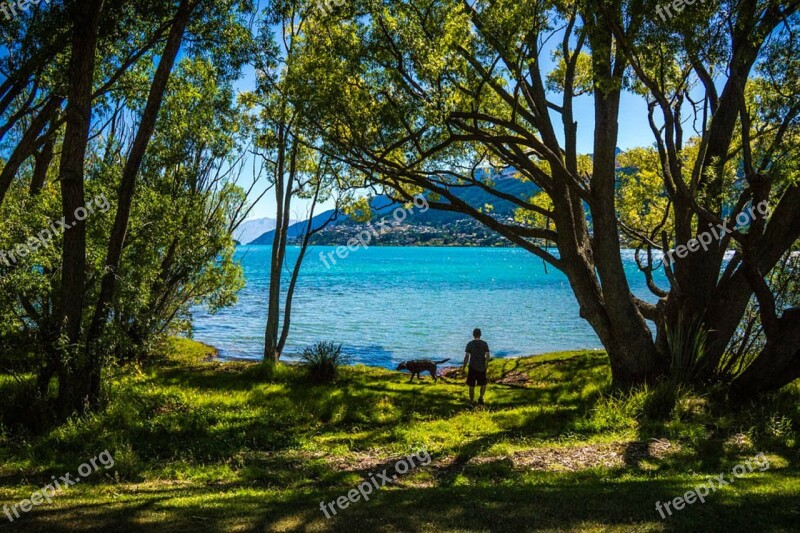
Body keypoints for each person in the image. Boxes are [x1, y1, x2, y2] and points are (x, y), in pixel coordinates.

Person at [463, 328, 490, 405]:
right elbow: (488, 356)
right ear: (480, 335)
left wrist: (463, 367)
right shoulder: (484, 344)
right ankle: (481, 397)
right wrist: (486, 366)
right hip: (482, 367)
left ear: (473, 335)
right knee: (483, 384)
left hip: (472, 367)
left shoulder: (470, 344)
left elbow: (466, 357)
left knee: (471, 385)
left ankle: (471, 401)